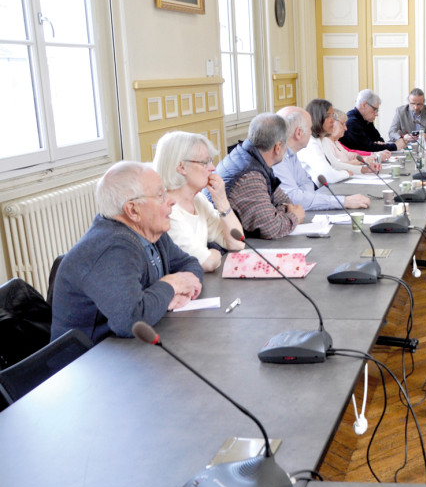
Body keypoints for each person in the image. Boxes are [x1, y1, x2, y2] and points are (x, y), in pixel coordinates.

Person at [50, 161, 203, 343]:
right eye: (160, 195)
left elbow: (189, 264)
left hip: (129, 347)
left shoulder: (150, 230)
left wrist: (177, 293)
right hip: (91, 356)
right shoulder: (111, 249)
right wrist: (171, 286)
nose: (171, 200)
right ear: (133, 210)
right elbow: (132, 320)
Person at [153, 131, 244, 272]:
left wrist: (222, 202)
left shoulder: (198, 200)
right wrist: (214, 254)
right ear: (181, 167)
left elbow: (237, 243)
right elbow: (206, 262)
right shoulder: (168, 210)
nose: (213, 168)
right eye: (205, 162)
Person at [216, 112, 304, 239]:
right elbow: (271, 229)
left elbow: (286, 202)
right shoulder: (250, 176)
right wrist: (294, 217)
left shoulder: (251, 158)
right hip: (226, 247)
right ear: (278, 147)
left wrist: (277, 213)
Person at [272, 105, 370, 211]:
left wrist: (306, 198)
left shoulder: (291, 153)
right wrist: (343, 202)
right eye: (310, 128)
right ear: (299, 133)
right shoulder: (277, 159)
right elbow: (294, 198)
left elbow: (306, 182)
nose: (311, 132)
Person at [299, 98, 383, 184]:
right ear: (318, 118)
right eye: (328, 116)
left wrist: (365, 169)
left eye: (333, 116)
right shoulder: (310, 143)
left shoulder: (322, 139)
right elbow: (329, 176)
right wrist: (347, 173)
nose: (333, 120)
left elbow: (336, 165)